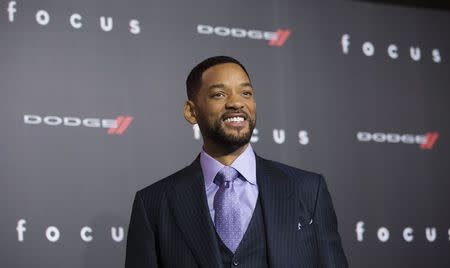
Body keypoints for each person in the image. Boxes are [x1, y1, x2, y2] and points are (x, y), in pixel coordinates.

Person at [125, 56, 348, 267]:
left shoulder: (308, 189)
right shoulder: (153, 203)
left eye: (246, 93)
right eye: (219, 94)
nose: (236, 103)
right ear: (191, 112)